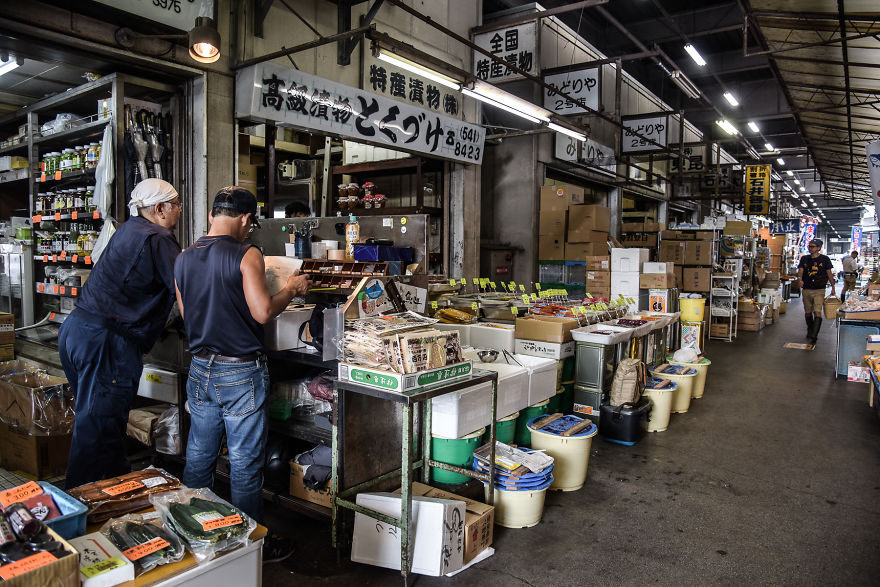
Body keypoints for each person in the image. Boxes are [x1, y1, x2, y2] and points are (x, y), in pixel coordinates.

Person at [174, 186, 309, 560]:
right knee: (245, 464)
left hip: (201, 369)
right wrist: (292, 289)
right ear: (247, 219)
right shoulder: (247, 254)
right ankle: (248, 548)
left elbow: (187, 314)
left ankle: (192, 535)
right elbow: (263, 312)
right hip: (239, 373)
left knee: (199, 456)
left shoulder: (184, 256)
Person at [58, 179, 182, 489]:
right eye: (176, 204)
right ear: (159, 208)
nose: (179, 210)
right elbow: (186, 290)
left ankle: (111, 499)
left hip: (78, 331)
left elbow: (131, 287)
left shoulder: (129, 229)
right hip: (107, 344)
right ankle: (85, 513)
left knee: (100, 426)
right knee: (99, 432)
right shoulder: (159, 237)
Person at [797, 238, 835, 344]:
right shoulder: (804, 258)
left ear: (818, 248)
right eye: (809, 246)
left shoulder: (825, 259)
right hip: (807, 289)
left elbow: (829, 273)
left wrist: (833, 287)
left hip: (819, 289)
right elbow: (800, 271)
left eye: (813, 246)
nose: (810, 248)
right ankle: (810, 329)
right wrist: (799, 280)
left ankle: (814, 334)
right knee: (808, 312)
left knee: (817, 311)